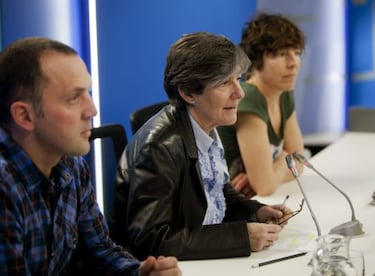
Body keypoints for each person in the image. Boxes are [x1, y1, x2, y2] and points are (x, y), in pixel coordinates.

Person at [0, 37, 181, 275]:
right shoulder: (4, 187)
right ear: (24, 116)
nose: (92, 109)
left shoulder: (71, 167)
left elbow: (99, 252)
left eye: (87, 92)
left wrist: (140, 272)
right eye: (74, 97)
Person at [111, 32, 293, 261]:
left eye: (237, 78)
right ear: (187, 93)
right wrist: (240, 237)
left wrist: (255, 211)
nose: (239, 92)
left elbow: (217, 193)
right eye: (224, 82)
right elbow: (150, 241)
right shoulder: (160, 148)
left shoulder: (206, 127)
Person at [218, 13, 306, 198]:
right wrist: (283, 160)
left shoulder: (283, 93)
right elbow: (265, 186)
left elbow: (299, 162)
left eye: (297, 53)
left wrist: (272, 173)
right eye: (281, 54)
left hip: (251, 201)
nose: (293, 63)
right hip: (221, 208)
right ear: (256, 59)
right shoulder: (249, 98)